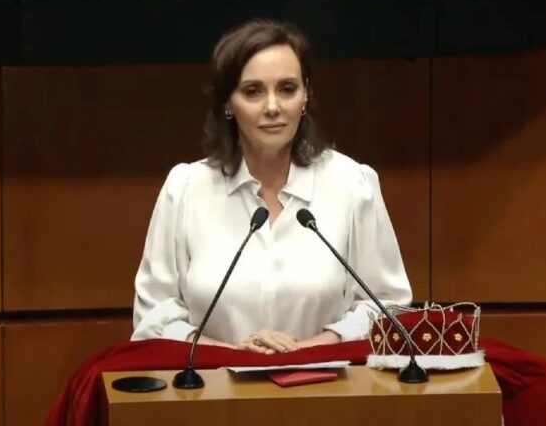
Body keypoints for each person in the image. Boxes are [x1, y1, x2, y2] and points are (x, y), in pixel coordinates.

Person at [131, 19, 412, 354]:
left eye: (287, 89)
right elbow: (153, 318)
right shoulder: (186, 190)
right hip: (211, 383)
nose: (273, 107)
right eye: (253, 91)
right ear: (227, 103)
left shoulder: (352, 184)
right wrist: (231, 354)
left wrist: (314, 347)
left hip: (328, 381)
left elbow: (388, 307)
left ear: (305, 96)